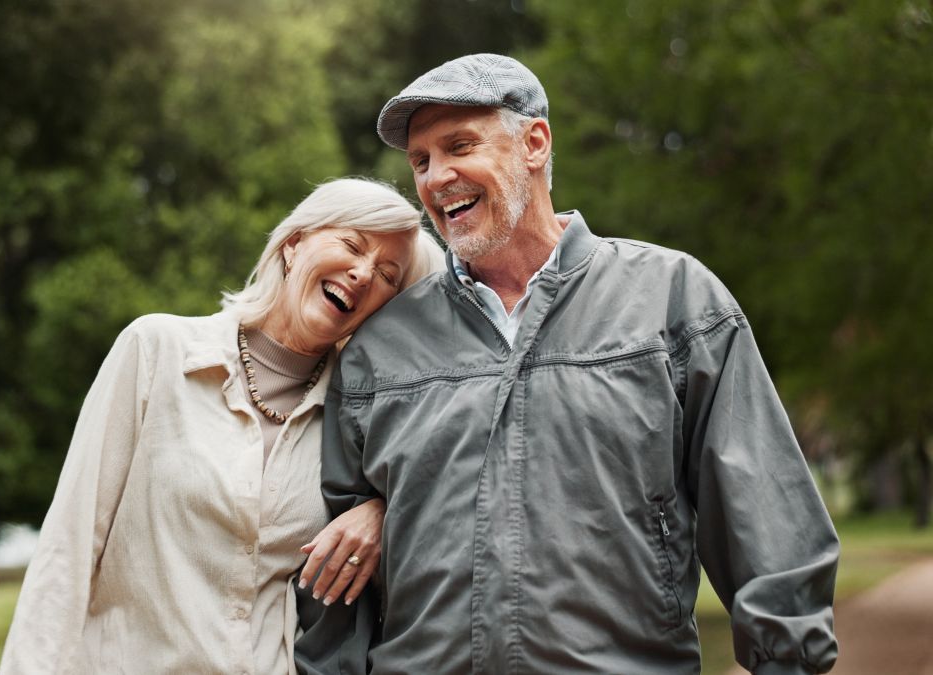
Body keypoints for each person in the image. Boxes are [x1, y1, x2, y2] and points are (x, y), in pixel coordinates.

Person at [295, 54, 839, 674]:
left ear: (534, 142)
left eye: (459, 146)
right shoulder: (379, 346)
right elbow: (336, 586)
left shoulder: (675, 301)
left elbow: (767, 518)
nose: (436, 177)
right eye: (421, 161)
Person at [0, 177, 444, 674]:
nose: (362, 274)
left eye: (387, 274)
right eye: (351, 245)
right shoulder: (157, 351)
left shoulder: (356, 419)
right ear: (293, 245)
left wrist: (382, 510)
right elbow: (70, 546)